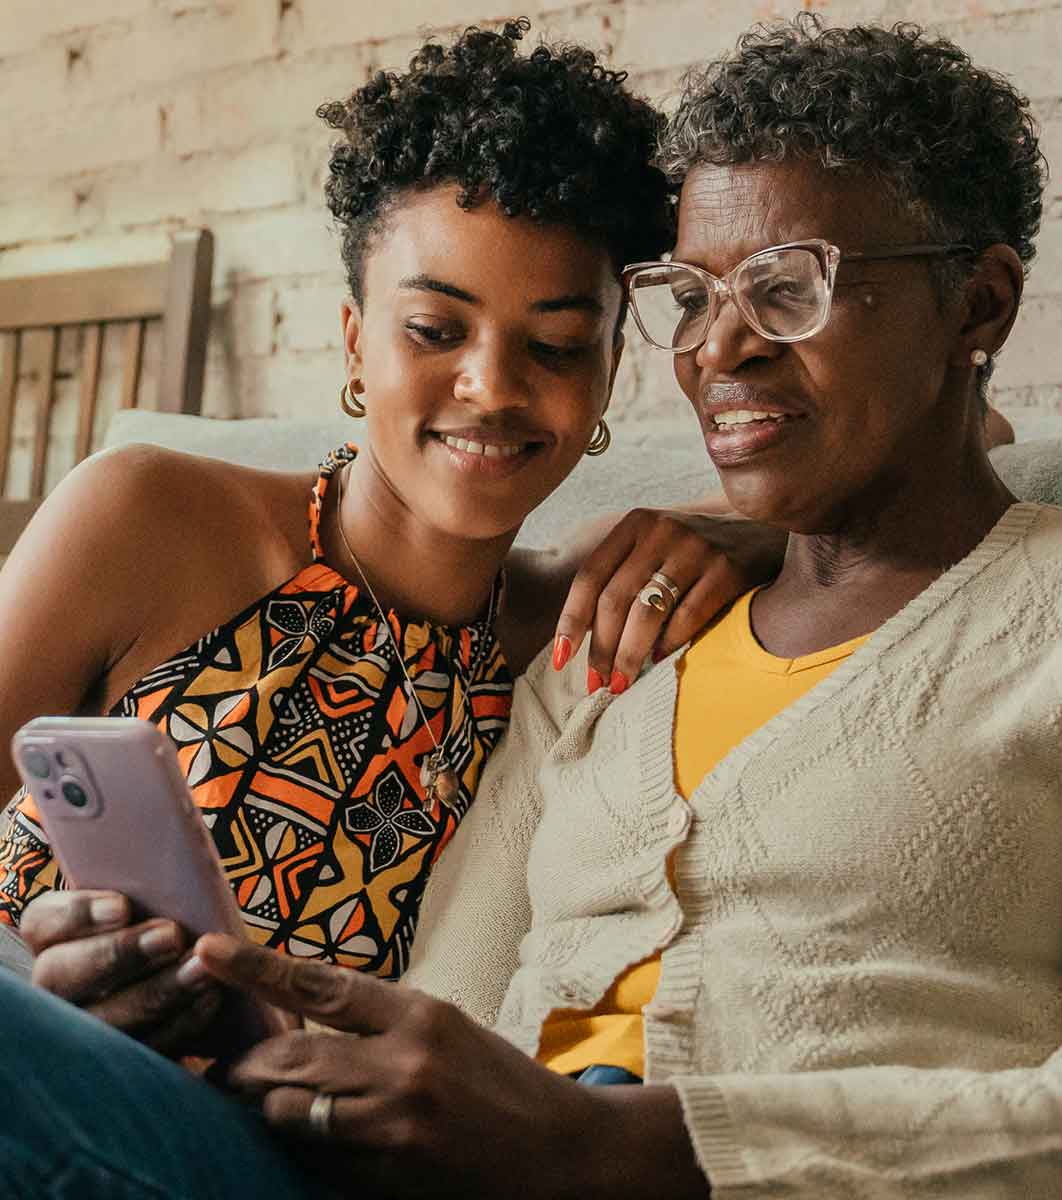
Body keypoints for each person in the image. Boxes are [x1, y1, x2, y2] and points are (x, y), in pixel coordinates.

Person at [3, 15, 1062, 1199]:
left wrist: (611, 1149)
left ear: (981, 307)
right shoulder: (594, 651)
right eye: (694, 296)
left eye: (787, 291)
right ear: (357, 340)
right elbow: (440, 1025)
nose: (722, 351)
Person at [0, 22, 758, 1052]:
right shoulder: (147, 519)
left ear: (610, 372)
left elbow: (954, 443)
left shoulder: (567, 630)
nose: (490, 387)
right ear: (356, 339)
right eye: (435, 331)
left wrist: (737, 532)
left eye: (556, 344)